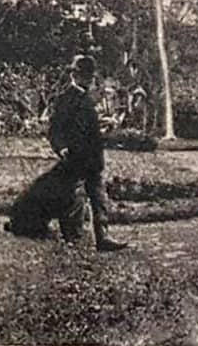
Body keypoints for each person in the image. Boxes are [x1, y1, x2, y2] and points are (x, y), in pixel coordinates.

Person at [48, 54, 128, 252]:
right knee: (75, 200)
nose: (89, 80)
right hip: (74, 157)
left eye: (90, 76)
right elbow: (55, 130)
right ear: (75, 75)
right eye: (85, 75)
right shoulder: (65, 99)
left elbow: (89, 129)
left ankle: (103, 238)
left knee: (99, 199)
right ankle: (72, 240)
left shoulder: (88, 99)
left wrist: (104, 129)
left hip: (92, 158)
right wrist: (62, 148)